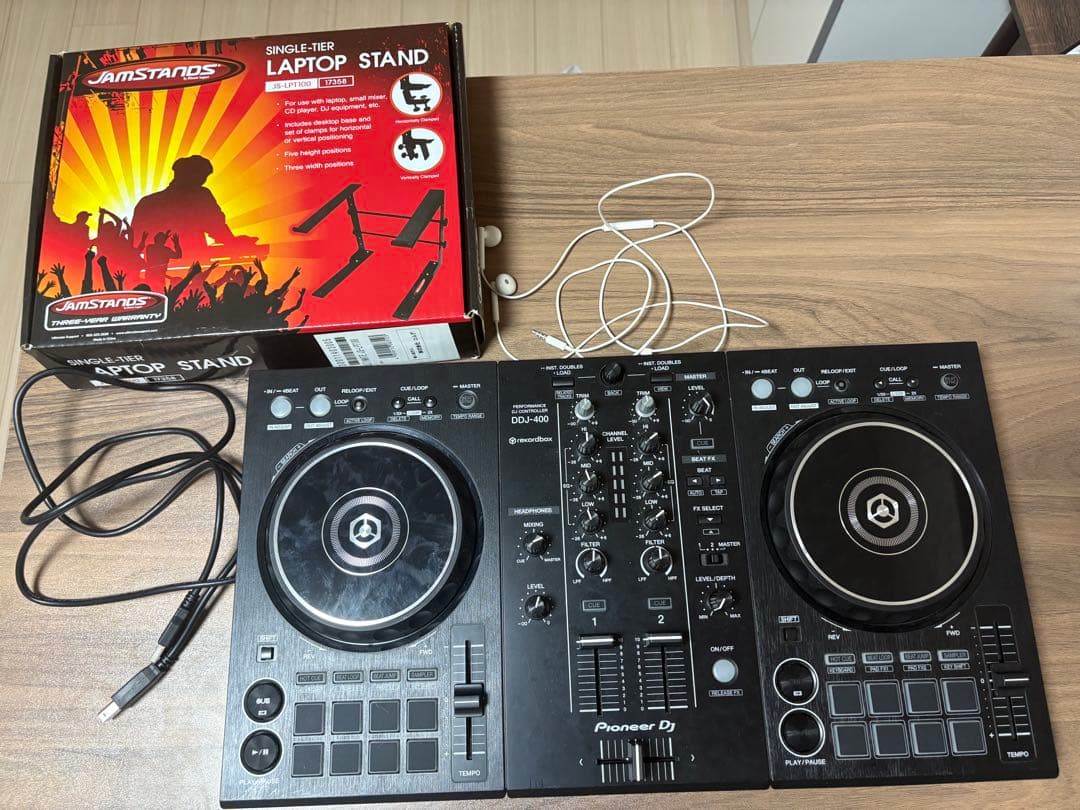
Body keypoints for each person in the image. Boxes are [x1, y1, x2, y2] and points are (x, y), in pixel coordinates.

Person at [131, 155, 265, 268]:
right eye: (202, 176)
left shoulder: (147, 203)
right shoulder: (200, 196)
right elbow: (217, 228)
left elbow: (135, 242)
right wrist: (235, 243)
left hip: (155, 271)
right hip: (194, 267)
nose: (203, 181)